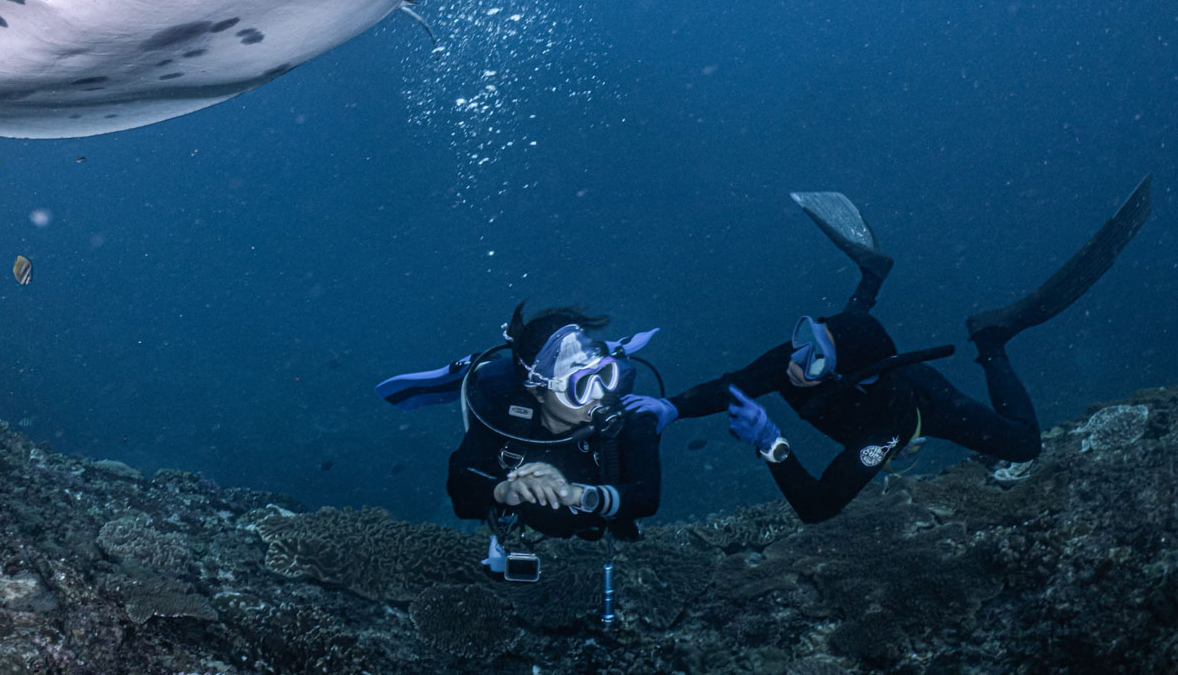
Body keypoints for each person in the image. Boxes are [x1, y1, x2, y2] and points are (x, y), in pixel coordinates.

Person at [625, 178, 1152, 524]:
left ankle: (991, 340)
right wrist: (671, 408)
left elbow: (818, 505)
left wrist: (772, 443)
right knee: (853, 323)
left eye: (814, 358)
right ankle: (870, 276)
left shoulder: (881, 436)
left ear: (842, 378)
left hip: (921, 403)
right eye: (805, 336)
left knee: (1023, 446)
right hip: (861, 356)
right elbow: (732, 384)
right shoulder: (799, 354)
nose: (793, 359)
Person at [381, 304, 663, 542]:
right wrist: (505, 490)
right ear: (537, 391)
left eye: (605, 375)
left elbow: (647, 496)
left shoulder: (627, 412)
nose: (601, 394)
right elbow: (461, 486)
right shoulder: (509, 414)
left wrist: (574, 495)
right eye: (580, 387)